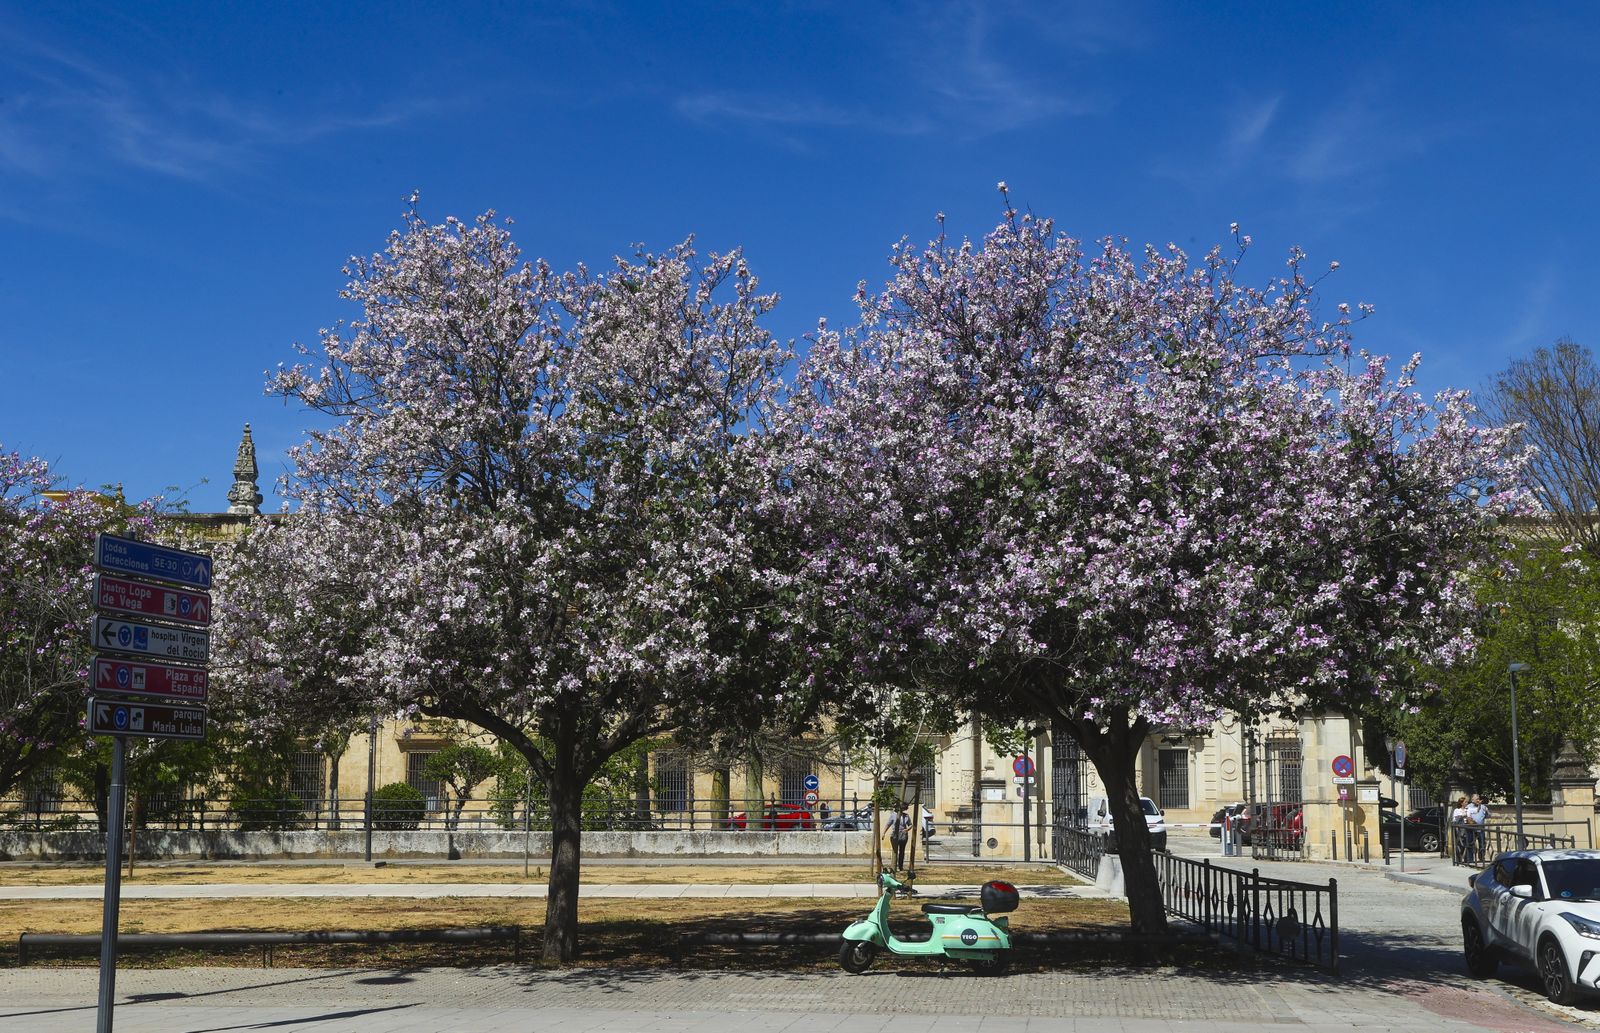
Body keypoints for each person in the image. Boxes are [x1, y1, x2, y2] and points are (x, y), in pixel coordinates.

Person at [1467, 794, 1490, 862]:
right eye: (1476, 799)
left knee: (1482, 844)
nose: (1478, 800)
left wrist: (1487, 811)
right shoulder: (1468, 807)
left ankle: (1481, 858)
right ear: (1472, 800)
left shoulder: (1483, 807)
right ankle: (1470, 859)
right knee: (1471, 843)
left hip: (1481, 828)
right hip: (1472, 829)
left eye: (1478, 798)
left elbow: (1488, 816)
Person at [887, 804, 911, 870]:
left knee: (902, 851)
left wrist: (907, 829)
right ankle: (894, 866)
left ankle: (900, 866)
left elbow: (910, 824)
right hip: (895, 834)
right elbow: (888, 824)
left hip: (903, 835)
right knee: (895, 851)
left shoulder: (906, 816)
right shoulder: (893, 815)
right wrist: (884, 833)